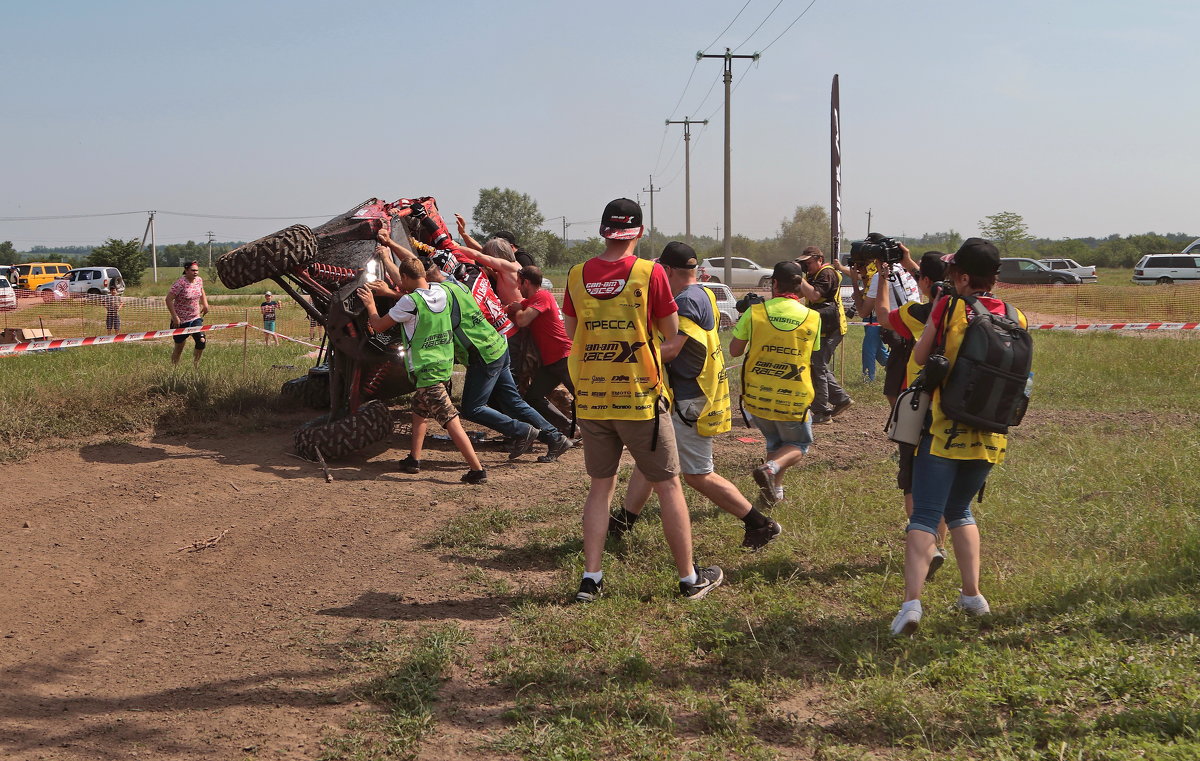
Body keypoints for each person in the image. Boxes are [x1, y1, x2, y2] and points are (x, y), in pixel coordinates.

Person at [563, 198, 723, 603]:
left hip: (592, 398)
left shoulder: (576, 274)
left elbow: (570, 331)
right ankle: (689, 580)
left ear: (603, 231)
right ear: (639, 232)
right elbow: (670, 333)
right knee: (669, 485)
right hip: (639, 398)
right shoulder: (650, 273)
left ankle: (591, 579)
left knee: (601, 488)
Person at [890, 238, 1027, 636]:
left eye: (953, 271)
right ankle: (973, 596)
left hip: (945, 430)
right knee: (961, 511)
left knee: (925, 516)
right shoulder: (1016, 315)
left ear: (963, 277)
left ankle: (911, 605)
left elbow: (919, 358)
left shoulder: (949, 307)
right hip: (991, 435)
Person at [611, 242, 782, 550]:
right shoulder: (702, 292)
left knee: (698, 476)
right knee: (652, 460)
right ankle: (620, 525)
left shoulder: (687, 301)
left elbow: (673, 349)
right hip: (692, 394)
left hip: (692, 399)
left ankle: (760, 524)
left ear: (668, 270)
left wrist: (626, 356)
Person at [357, 257, 488, 485]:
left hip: (427, 371)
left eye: (402, 280)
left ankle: (477, 471)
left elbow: (378, 326)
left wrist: (370, 303)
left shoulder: (410, 301)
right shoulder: (442, 292)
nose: (401, 284)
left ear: (405, 277)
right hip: (443, 365)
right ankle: (413, 459)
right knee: (419, 411)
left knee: (451, 421)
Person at [730, 261, 822, 506]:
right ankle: (771, 469)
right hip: (793, 398)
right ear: (800, 286)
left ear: (774, 284)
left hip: (757, 397)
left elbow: (735, 351)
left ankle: (772, 493)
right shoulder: (813, 317)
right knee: (799, 444)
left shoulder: (755, 312)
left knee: (775, 443)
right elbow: (811, 353)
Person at [888, 252, 950, 576]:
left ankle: (921, 541)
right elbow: (933, 281)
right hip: (952, 405)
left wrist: (885, 279)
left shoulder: (917, 312)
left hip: (918, 403)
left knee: (911, 476)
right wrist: (911, 263)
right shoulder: (963, 312)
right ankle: (938, 543)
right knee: (942, 477)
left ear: (924, 282)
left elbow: (885, 316)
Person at [507, 265, 574, 437]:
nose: (518, 288)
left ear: (526, 282)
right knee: (533, 398)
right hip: (551, 361)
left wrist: (517, 310)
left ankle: (608, 432)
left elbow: (522, 320)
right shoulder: (531, 300)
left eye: (519, 284)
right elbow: (512, 308)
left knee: (584, 397)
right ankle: (569, 427)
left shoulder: (542, 295)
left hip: (564, 357)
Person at [794, 247, 851, 424]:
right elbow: (799, 294)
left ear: (820, 259)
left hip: (832, 327)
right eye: (803, 264)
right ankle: (841, 399)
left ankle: (821, 410)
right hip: (819, 327)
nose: (806, 267)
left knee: (817, 366)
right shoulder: (812, 276)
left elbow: (815, 294)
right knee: (818, 365)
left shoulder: (827, 273)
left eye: (808, 263)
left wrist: (798, 277)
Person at [165, 261, 209, 366]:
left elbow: (201, 291)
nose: (195, 272)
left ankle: (196, 365)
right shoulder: (180, 283)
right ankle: (174, 368)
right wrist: (175, 317)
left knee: (201, 341)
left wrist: (205, 304)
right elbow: (168, 300)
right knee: (179, 346)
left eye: (197, 270)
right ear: (186, 270)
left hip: (195, 318)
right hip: (180, 320)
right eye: (193, 270)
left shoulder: (199, 280)